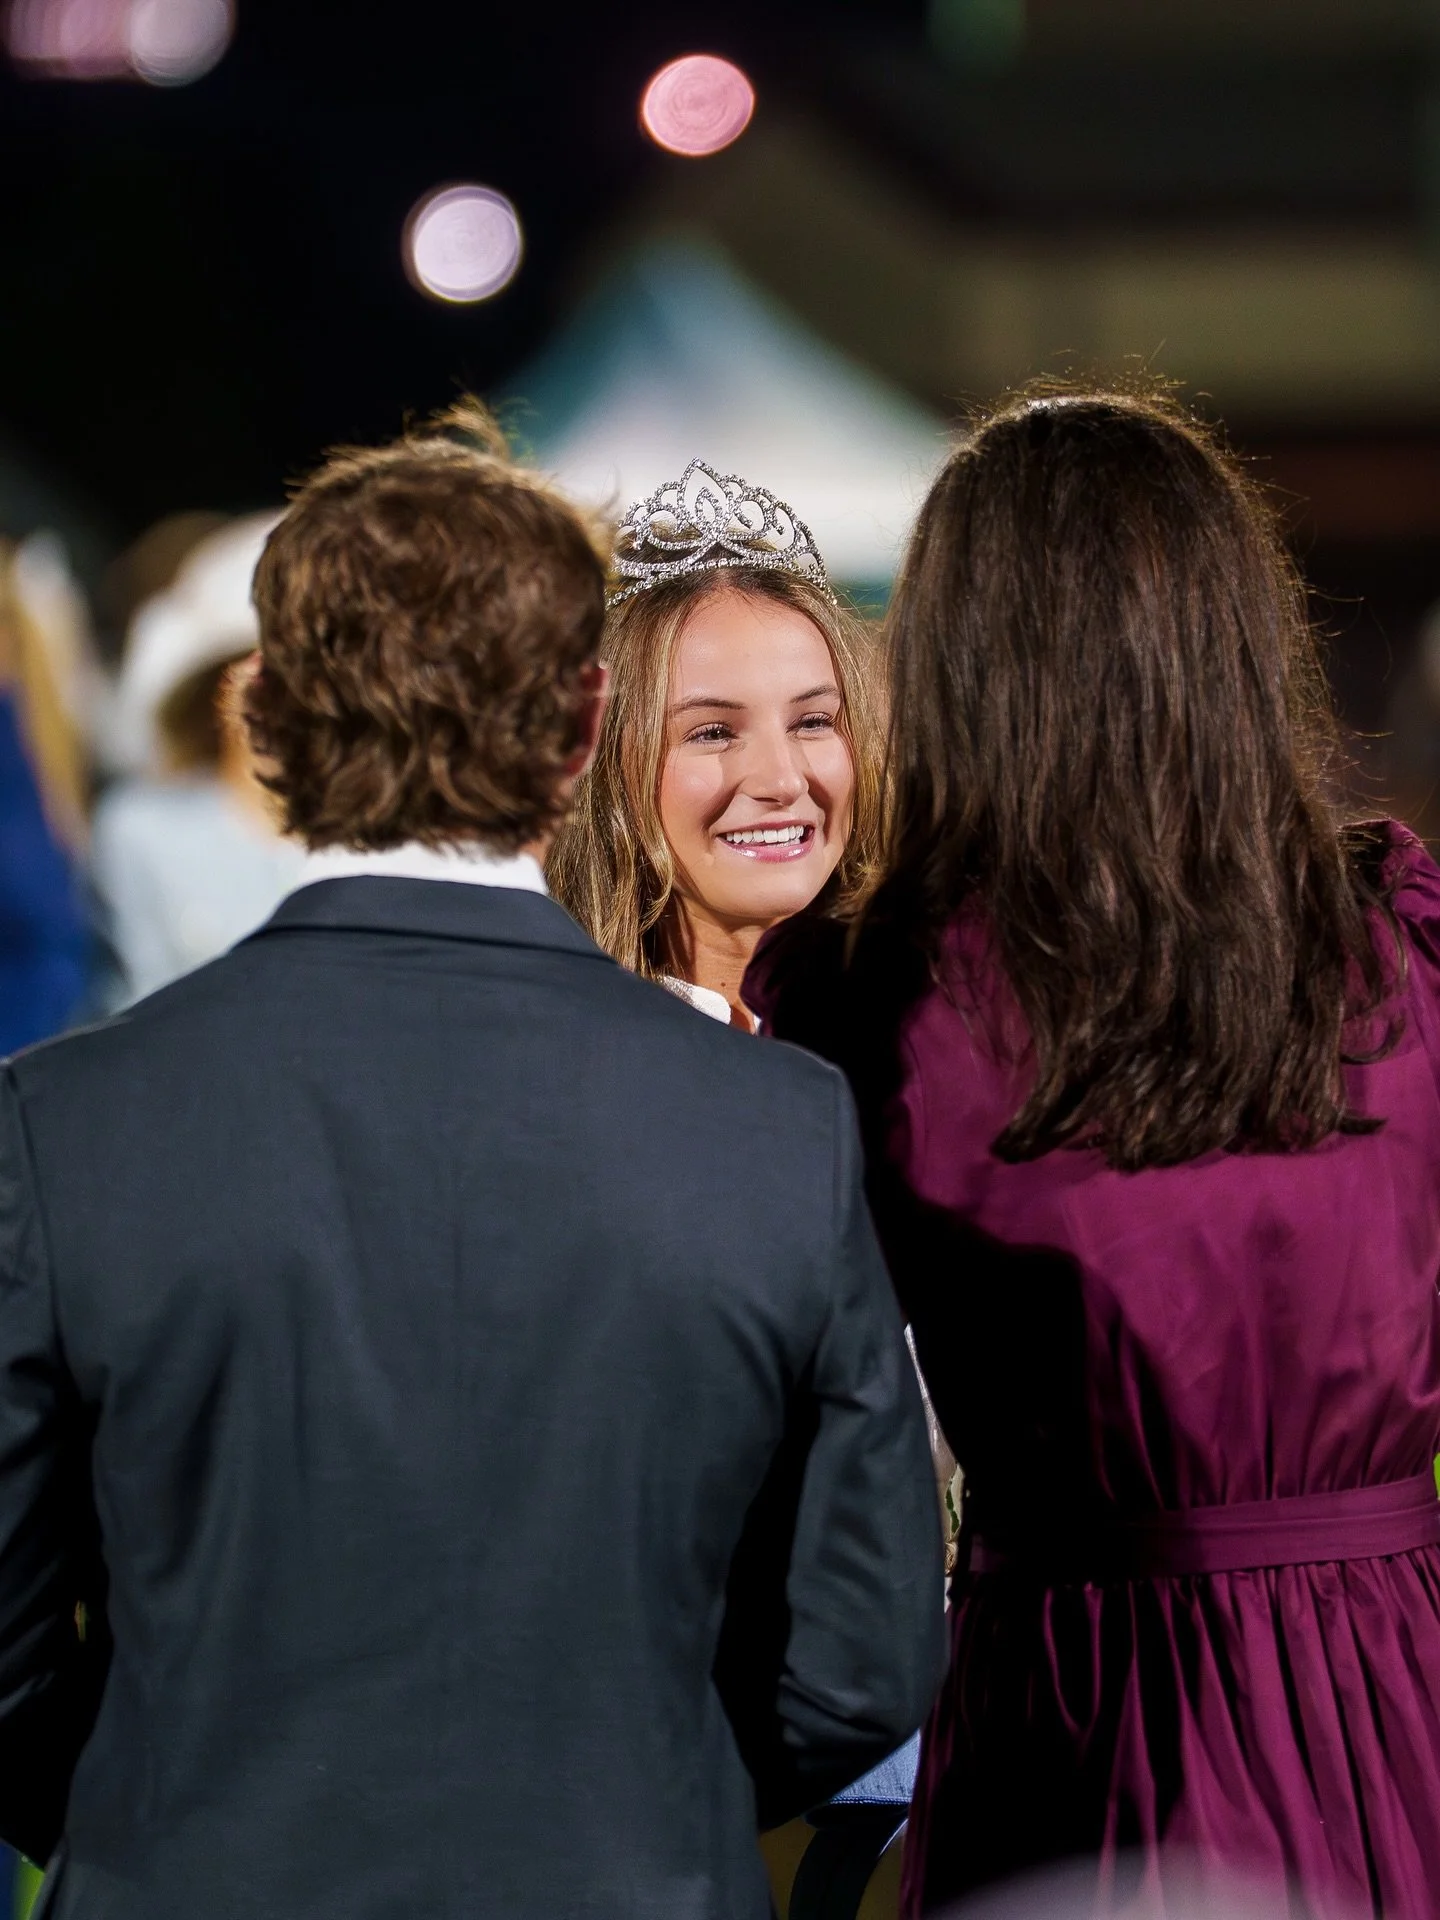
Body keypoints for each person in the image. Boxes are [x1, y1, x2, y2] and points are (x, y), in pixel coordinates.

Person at [0, 405, 945, 1920]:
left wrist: (154, 1815)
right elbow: (865, 1656)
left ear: (266, 728)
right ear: (586, 729)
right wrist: (645, 1803)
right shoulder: (771, 1123)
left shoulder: (67, 1121)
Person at [748, 388, 1440, 1918]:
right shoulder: (1400, 943)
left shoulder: (883, 996)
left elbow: (798, 1426)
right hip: (1400, 1671)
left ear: (961, 659)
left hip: (1086, 1702)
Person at [91, 514, 303, 1005]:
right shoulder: (142, 827)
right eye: (267, 665)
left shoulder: (370, 830)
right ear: (220, 681)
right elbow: (137, 1004)